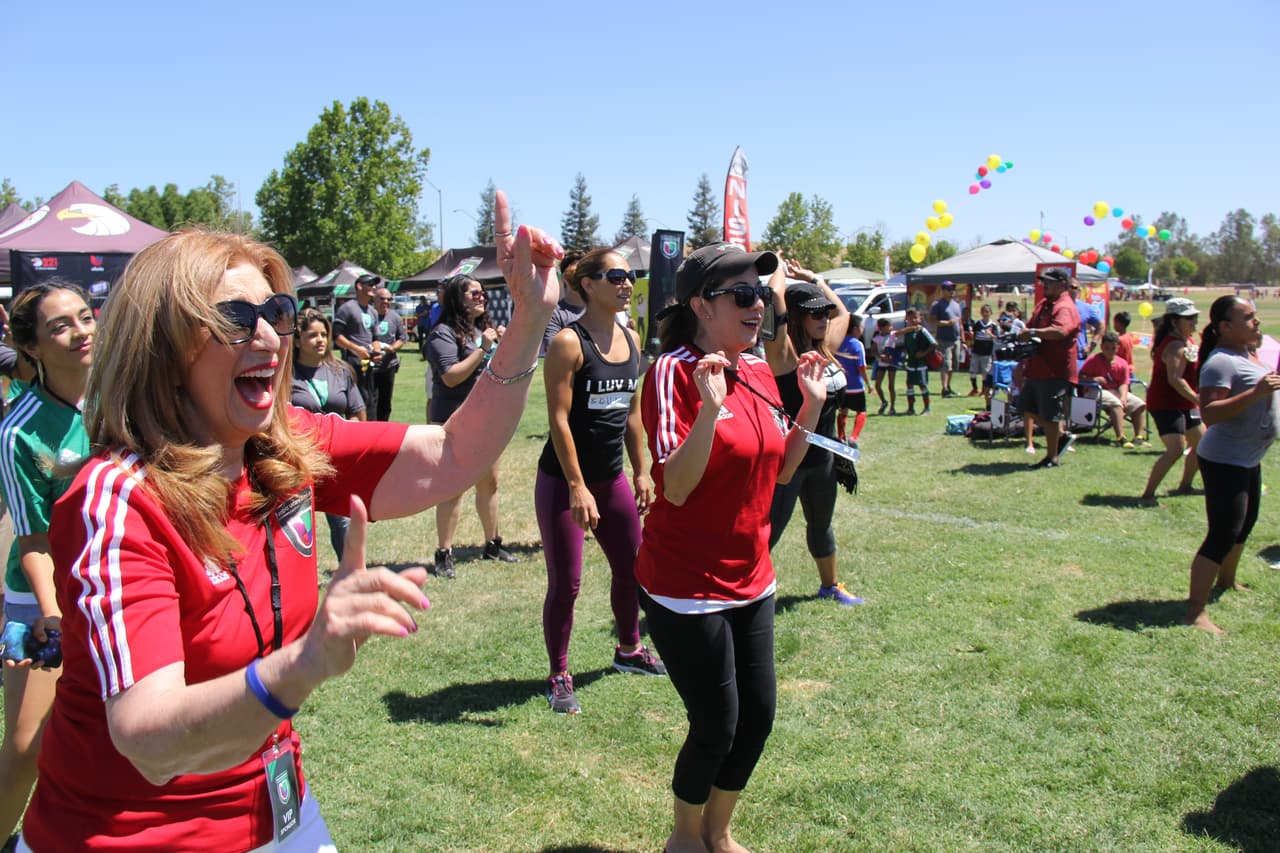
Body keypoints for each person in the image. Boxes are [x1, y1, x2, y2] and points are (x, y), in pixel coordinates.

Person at [18, 194, 560, 852]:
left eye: (275, 311)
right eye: (235, 318)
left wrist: (528, 321)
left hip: (277, 808)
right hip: (134, 835)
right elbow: (148, 738)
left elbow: (453, 457)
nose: (271, 336)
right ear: (162, 344)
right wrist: (303, 664)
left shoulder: (281, 445)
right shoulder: (118, 498)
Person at [635, 242, 825, 853]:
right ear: (700, 305)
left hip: (753, 575)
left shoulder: (759, 369)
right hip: (686, 584)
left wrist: (811, 411)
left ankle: (719, 831)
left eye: (761, 296)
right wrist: (708, 416)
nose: (758, 306)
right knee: (716, 724)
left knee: (758, 717)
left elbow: (784, 470)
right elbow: (679, 489)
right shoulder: (673, 372)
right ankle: (684, 837)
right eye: (743, 295)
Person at [537, 248, 663, 716]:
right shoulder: (569, 342)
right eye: (616, 276)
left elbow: (631, 414)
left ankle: (629, 650)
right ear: (588, 283)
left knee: (633, 568)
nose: (626, 283)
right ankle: (559, 674)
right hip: (564, 482)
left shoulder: (630, 338)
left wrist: (641, 469)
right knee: (567, 584)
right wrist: (575, 486)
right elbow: (558, 419)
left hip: (611, 480)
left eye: (630, 276)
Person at [0, 282, 94, 843]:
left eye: (85, 317)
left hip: (109, 584)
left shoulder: (120, 393)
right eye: (61, 326)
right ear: (32, 347)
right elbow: (32, 541)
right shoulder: (18, 430)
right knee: (28, 744)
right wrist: (54, 614)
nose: (81, 332)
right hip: (43, 599)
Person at [764, 261, 864, 608]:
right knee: (766, 535)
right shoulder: (783, 356)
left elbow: (843, 313)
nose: (823, 317)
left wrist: (815, 280)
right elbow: (775, 298)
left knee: (821, 525)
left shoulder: (825, 347)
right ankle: (740, 595)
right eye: (813, 313)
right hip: (788, 461)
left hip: (823, 458)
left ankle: (831, 585)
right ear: (794, 317)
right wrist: (776, 267)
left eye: (823, 312)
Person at [1182, 296, 1280, 634]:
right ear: (1225, 327)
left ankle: (1228, 580)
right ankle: (1195, 612)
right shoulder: (1220, 362)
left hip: (1248, 457)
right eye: (1248, 317)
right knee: (1222, 533)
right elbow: (1210, 413)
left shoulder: (1248, 355)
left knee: (1245, 524)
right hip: (1225, 459)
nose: (1256, 321)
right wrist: (1255, 393)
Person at [425, 274, 517, 576]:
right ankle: (444, 553)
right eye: (473, 293)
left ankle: (493, 544)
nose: (481, 297)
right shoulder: (442, 333)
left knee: (489, 483)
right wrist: (483, 348)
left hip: (485, 419)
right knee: (453, 488)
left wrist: (499, 345)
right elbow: (451, 376)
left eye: (482, 293)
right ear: (457, 298)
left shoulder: (481, 329)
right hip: (454, 419)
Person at [289, 307, 366, 562]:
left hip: (336, 461)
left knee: (343, 524)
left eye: (324, 334)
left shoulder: (340, 371)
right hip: (300, 462)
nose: (320, 340)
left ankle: (353, 577)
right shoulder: (285, 376)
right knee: (297, 527)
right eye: (312, 335)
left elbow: (357, 411)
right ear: (298, 339)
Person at [1139, 298, 1202, 506]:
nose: (1193, 322)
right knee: (1175, 449)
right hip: (1166, 403)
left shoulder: (1187, 341)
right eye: (1188, 319)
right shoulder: (1174, 345)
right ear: (1175, 322)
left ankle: (1185, 485)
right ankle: (1148, 493)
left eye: (1195, 317)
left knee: (1202, 444)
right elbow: (1175, 380)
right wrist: (1198, 399)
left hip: (1185, 402)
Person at [1017, 268, 1081, 468]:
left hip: (1055, 370)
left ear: (1062, 284)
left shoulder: (1064, 306)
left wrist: (1034, 331)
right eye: (1044, 282)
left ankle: (1052, 457)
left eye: (1050, 282)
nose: (1045, 285)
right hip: (1037, 367)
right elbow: (1029, 327)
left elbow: (1061, 331)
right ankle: (1061, 436)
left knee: (1051, 415)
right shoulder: (1044, 304)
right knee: (1026, 408)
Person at [1080, 331, 1147, 447]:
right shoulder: (1093, 360)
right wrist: (1094, 379)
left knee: (1139, 404)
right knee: (1116, 404)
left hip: (1115, 391)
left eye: (1113, 348)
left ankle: (1138, 437)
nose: (1110, 351)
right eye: (1107, 348)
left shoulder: (1122, 363)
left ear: (1118, 348)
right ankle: (1120, 437)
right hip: (1095, 390)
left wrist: (1124, 398)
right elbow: (1080, 376)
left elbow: (1123, 383)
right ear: (1101, 347)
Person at [331, 272, 380, 413]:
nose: (374, 287)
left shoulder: (372, 311)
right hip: (352, 363)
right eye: (370, 284)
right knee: (356, 401)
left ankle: (371, 430)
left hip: (368, 364)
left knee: (371, 399)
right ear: (359, 286)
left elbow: (375, 337)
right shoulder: (347, 308)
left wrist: (377, 352)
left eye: (375, 285)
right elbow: (336, 336)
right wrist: (356, 349)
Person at [369, 287, 408, 422]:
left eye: (388, 299)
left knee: (385, 402)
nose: (386, 301)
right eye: (382, 298)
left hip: (388, 365)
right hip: (370, 367)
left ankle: (383, 429)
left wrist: (392, 348)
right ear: (374, 299)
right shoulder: (368, 315)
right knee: (371, 402)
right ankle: (371, 431)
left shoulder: (394, 317)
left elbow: (403, 338)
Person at [835, 314, 871, 445]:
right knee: (861, 411)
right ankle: (853, 438)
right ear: (856, 328)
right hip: (855, 386)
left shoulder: (837, 342)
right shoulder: (857, 344)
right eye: (861, 327)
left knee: (842, 411)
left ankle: (840, 437)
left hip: (841, 385)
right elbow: (861, 367)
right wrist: (869, 384)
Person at [927, 280, 964, 397]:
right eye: (949, 289)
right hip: (944, 339)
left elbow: (960, 323)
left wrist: (962, 339)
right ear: (943, 291)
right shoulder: (937, 304)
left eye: (953, 288)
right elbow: (931, 320)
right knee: (946, 364)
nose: (952, 291)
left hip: (956, 338)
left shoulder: (956, 305)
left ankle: (949, 386)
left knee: (953, 365)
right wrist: (946, 323)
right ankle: (944, 388)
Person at [901, 307, 935, 415]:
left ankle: (927, 408)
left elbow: (934, 344)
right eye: (910, 318)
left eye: (915, 318)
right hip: (911, 362)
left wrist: (923, 353)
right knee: (909, 384)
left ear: (920, 318)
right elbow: (906, 346)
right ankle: (911, 408)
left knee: (922, 384)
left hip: (921, 363)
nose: (913, 320)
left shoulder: (922, 331)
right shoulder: (907, 331)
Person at [1069, 278, 1103, 373]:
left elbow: (1101, 325)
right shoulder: (1055, 306)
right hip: (1060, 357)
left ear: (1078, 291)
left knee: (1080, 385)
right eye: (1068, 287)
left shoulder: (1086, 308)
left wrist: (1092, 345)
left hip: (1079, 357)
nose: (1070, 290)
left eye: (1073, 287)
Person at [870, 317, 899, 415]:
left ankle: (892, 407)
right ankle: (884, 402)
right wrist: (880, 356)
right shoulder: (877, 338)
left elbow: (903, 331)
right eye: (889, 326)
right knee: (877, 385)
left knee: (891, 386)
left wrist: (913, 327)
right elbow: (873, 351)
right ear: (882, 328)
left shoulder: (892, 335)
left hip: (891, 363)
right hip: (881, 363)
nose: (891, 327)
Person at [966, 303, 997, 397]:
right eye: (984, 312)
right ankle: (974, 388)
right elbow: (974, 336)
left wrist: (990, 334)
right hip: (976, 351)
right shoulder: (978, 324)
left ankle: (984, 390)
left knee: (985, 372)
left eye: (987, 312)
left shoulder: (993, 325)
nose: (985, 314)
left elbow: (996, 338)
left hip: (987, 353)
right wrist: (972, 335)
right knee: (972, 371)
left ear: (991, 313)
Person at [414, 295, 432, 360]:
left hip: (426, 324)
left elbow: (425, 314)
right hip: (420, 324)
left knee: (427, 338)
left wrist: (419, 315)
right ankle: (420, 349)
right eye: (421, 299)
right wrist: (421, 314)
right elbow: (416, 315)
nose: (421, 300)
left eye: (422, 299)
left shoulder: (427, 306)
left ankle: (427, 350)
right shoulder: (418, 307)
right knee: (420, 337)